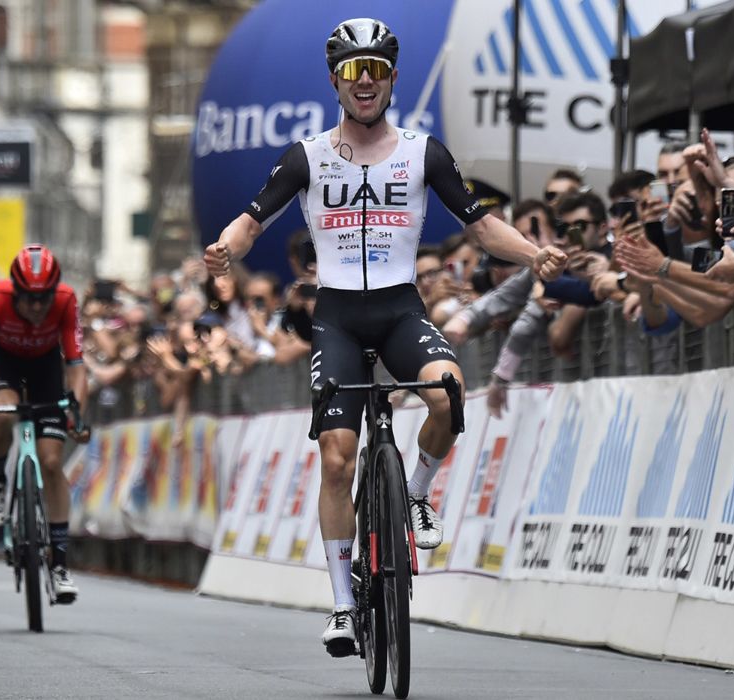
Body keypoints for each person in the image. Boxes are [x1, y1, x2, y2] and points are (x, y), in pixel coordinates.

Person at [203, 17, 567, 658]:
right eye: (351, 71)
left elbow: (480, 228)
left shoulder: (424, 152)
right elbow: (252, 222)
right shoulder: (308, 156)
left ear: (393, 78)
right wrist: (224, 250)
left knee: (449, 393)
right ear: (335, 82)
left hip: (401, 309)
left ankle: (417, 492)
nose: (364, 82)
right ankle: (344, 606)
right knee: (338, 455)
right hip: (338, 317)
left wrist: (535, 254)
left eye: (375, 70)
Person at [0, 244, 92, 603]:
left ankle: (61, 564)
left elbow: (77, 367)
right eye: (29, 299)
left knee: (52, 463)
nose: (37, 307)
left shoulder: (66, 300)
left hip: (45, 368)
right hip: (5, 364)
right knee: (3, 412)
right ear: (15, 292)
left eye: (44, 299)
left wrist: (76, 414)